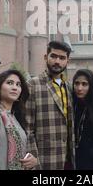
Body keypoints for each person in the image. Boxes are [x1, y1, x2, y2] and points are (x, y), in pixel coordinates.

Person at [25, 41, 76, 170]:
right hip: (44, 160)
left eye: (62, 58)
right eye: (53, 56)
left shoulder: (69, 87)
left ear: (67, 61)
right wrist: (33, 159)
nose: (57, 61)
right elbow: (28, 127)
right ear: (45, 57)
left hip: (68, 159)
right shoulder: (32, 85)